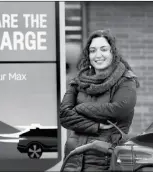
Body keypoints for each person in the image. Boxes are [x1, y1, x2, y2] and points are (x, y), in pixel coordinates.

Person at [60, 29, 140, 171]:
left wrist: (80, 108)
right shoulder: (78, 81)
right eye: (93, 50)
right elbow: (64, 115)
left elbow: (118, 109)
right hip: (73, 159)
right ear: (88, 55)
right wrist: (97, 126)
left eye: (103, 49)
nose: (98, 55)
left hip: (104, 160)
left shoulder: (125, 81)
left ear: (112, 53)